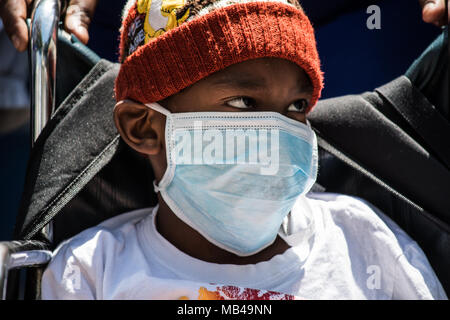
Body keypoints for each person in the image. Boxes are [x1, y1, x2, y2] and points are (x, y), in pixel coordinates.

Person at [34, 0, 448, 300]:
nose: (278, 132)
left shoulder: (360, 241)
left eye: (296, 107)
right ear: (143, 128)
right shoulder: (92, 270)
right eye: (243, 103)